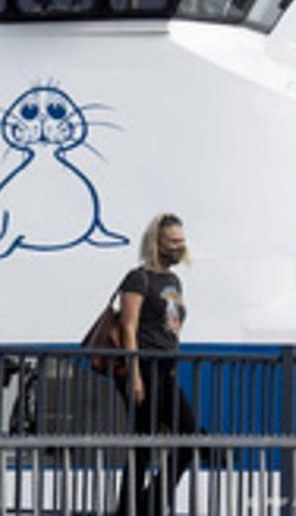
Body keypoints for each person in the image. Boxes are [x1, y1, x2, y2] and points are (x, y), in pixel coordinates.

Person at [116, 213, 194, 515]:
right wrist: (134, 375)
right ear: (157, 243)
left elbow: (172, 323)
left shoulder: (173, 280)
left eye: (181, 241)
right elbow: (129, 328)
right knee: (142, 444)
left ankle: (148, 504)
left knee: (188, 436)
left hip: (167, 367)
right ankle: (131, 508)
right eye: (173, 241)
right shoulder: (138, 278)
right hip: (145, 367)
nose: (179, 247)